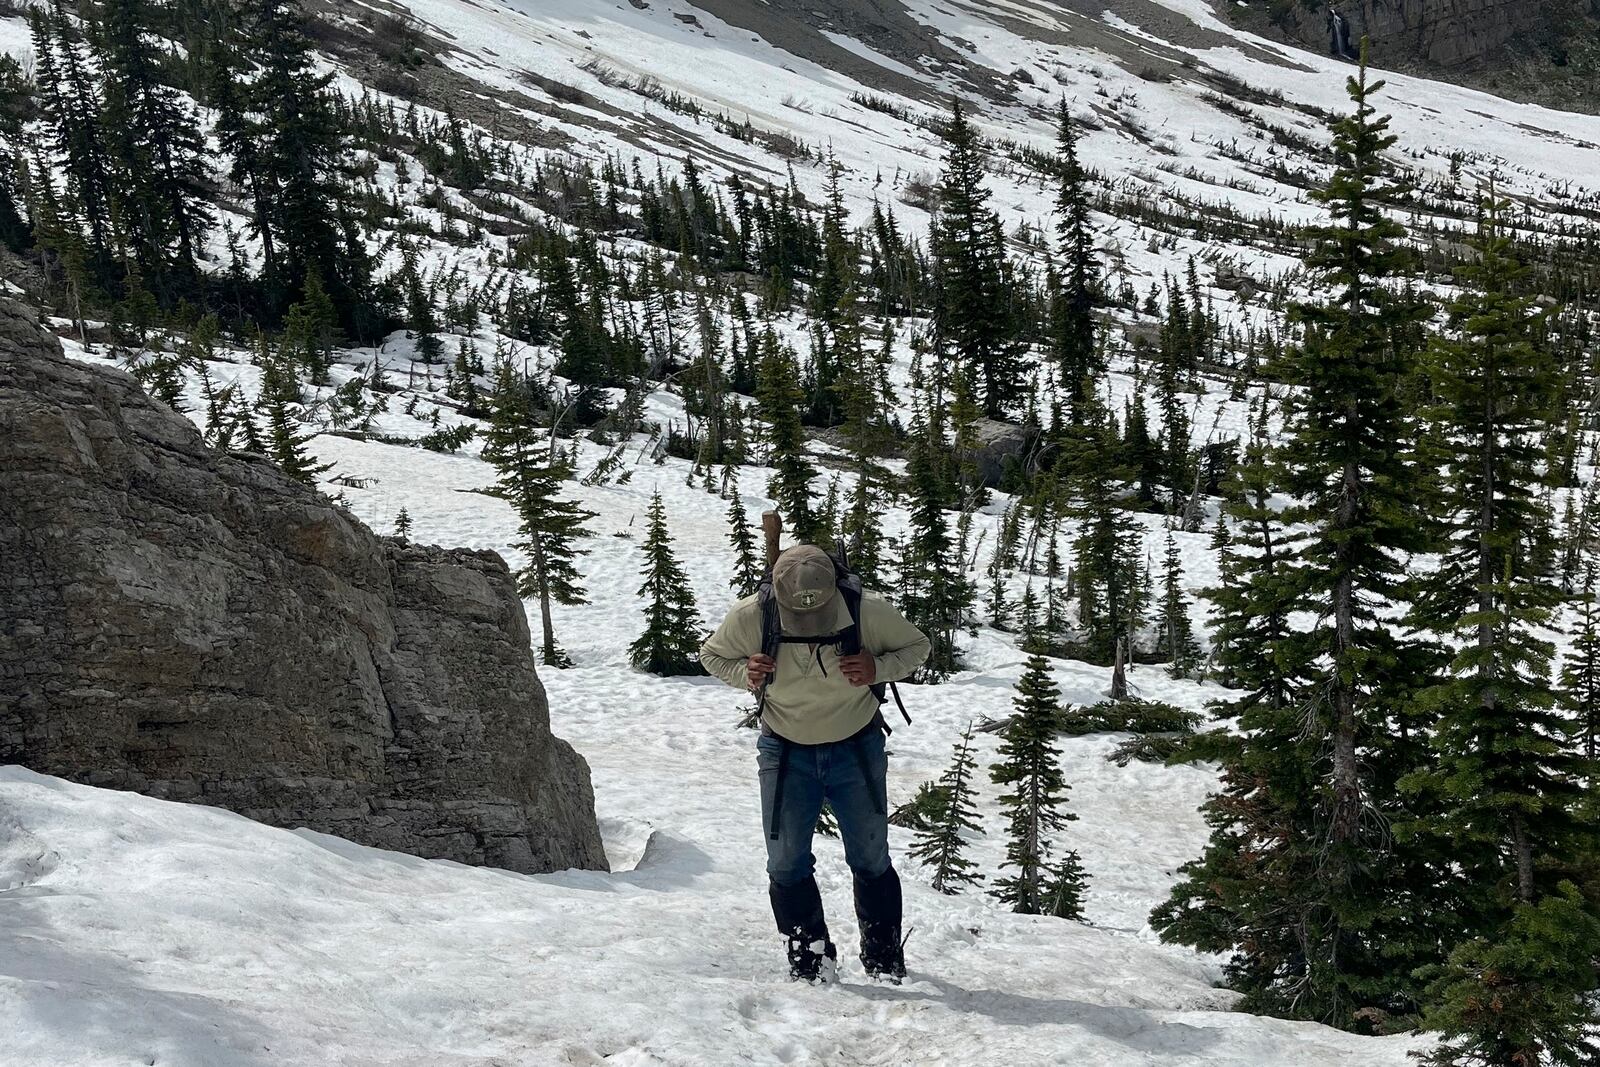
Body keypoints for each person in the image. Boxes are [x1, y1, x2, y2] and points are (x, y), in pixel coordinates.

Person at [700, 544, 930, 983]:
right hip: (785, 749)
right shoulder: (754, 615)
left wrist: (877, 667)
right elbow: (712, 655)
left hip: (856, 745)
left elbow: (918, 647)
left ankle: (882, 957)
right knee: (785, 863)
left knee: (870, 856)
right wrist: (743, 672)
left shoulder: (868, 611)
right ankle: (810, 959)